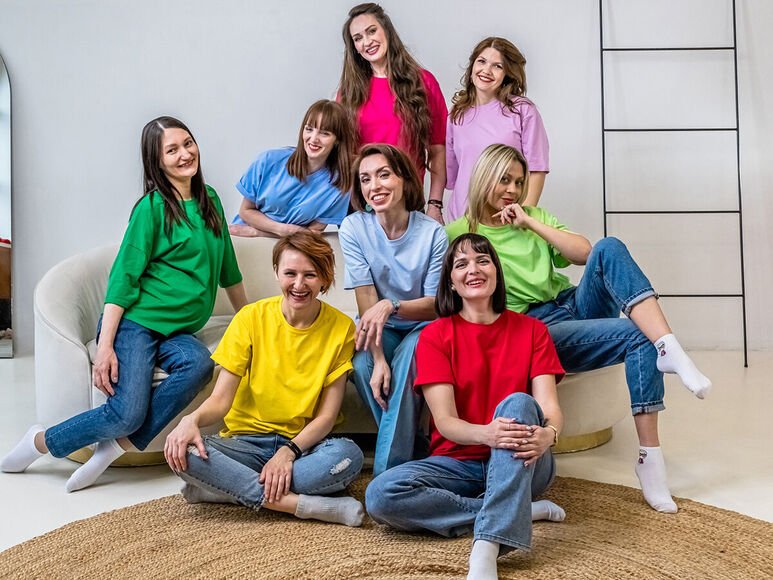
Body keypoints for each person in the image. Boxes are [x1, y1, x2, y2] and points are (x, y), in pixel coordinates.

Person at [446, 143, 713, 513]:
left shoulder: (531, 216)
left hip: (571, 304)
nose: (512, 190)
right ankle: (650, 459)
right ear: (484, 177)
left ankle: (669, 346)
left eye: (519, 182)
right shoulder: (459, 232)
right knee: (641, 335)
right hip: (534, 328)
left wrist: (530, 223)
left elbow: (585, 253)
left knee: (608, 247)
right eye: (504, 180)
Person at [1, 116, 248, 491]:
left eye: (188, 143)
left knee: (199, 364)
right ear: (157, 161)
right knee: (125, 414)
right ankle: (40, 441)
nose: (185, 154)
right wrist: (105, 347)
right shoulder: (151, 209)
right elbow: (123, 279)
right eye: (172, 150)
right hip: (136, 324)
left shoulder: (209, 199)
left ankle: (117, 447)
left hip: (176, 332)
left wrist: (249, 318)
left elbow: (228, 268)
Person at [366, 233, 567, 580]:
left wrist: (550, 434)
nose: (473, 269)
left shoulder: (533, 331)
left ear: (496, 272)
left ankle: (486, 545)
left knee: (519, 402)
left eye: (482, 260)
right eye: (461, 264)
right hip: (458, 465)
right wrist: (488, 434)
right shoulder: (435, 335)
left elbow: (549, 406)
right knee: (380, 495)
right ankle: (516, 510)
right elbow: (446, 422)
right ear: (451, 282)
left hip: (524, 463)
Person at [164, 231, 365, 527]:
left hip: (301, 447)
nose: (299, 285)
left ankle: (227, 489)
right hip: (243, 443)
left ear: (325, 277)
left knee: (349, 456)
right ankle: (302, 506)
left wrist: (288, 452)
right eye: (290, 273)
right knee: (183, 451)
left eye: (310, 275)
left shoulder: (342, 328)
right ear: (276, 273)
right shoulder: (249, 318)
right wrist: (190, 420)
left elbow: (326, 417)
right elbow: (220, 400)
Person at [338, 143, 447, 475]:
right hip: (379, 328)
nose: (375, 186)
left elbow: (434, 306)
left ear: (404, 179)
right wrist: (379, 359)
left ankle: (388, 475)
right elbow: (366, 299)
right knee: (363, 364)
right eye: (366, 179)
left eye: (384, 175)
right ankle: (414, 450)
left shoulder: (433, 233)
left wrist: (392, 305)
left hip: (422, 325)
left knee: (410, 354)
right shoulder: (353, 228)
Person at [338, 3, 448, 224]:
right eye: (358, 38)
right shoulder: (347, 93)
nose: (367, 42)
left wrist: (435, 204)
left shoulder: (423, 82)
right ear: (354, 47)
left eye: (371, 31)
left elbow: (438, 150)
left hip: (408, 204)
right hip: (362, 207)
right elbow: (341, 156)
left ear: (386, 31)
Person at [446, 37, 549, 221]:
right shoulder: (457, 113)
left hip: (504, 218)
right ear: (472, 66)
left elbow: (537, 169)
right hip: (462, 217)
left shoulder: (523, 111)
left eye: (497, 66)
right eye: (482, 61)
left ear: (507, 74)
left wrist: (522, 216)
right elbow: (454, 174)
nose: (486, 70)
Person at [228, 99, 356, 238]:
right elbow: (245, 212)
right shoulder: (268, 161)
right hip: (244, 238)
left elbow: (313, 233)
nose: (313, 138)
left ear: (337, 140)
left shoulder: (340, 185)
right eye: (309, 129)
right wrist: (280, 230)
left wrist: (259, 232)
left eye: (324, 133)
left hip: (288, 244)